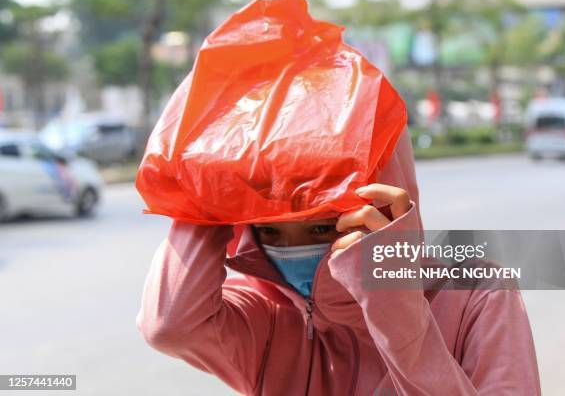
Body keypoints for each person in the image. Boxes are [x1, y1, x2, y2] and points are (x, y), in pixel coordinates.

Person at [136, 124, 541, 394]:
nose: (293, 253)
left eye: (321, 229)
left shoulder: (478, 292)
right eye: (269, 231)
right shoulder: (263, 311)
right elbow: (169, 327)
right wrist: (210, 201)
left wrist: (393, 303)